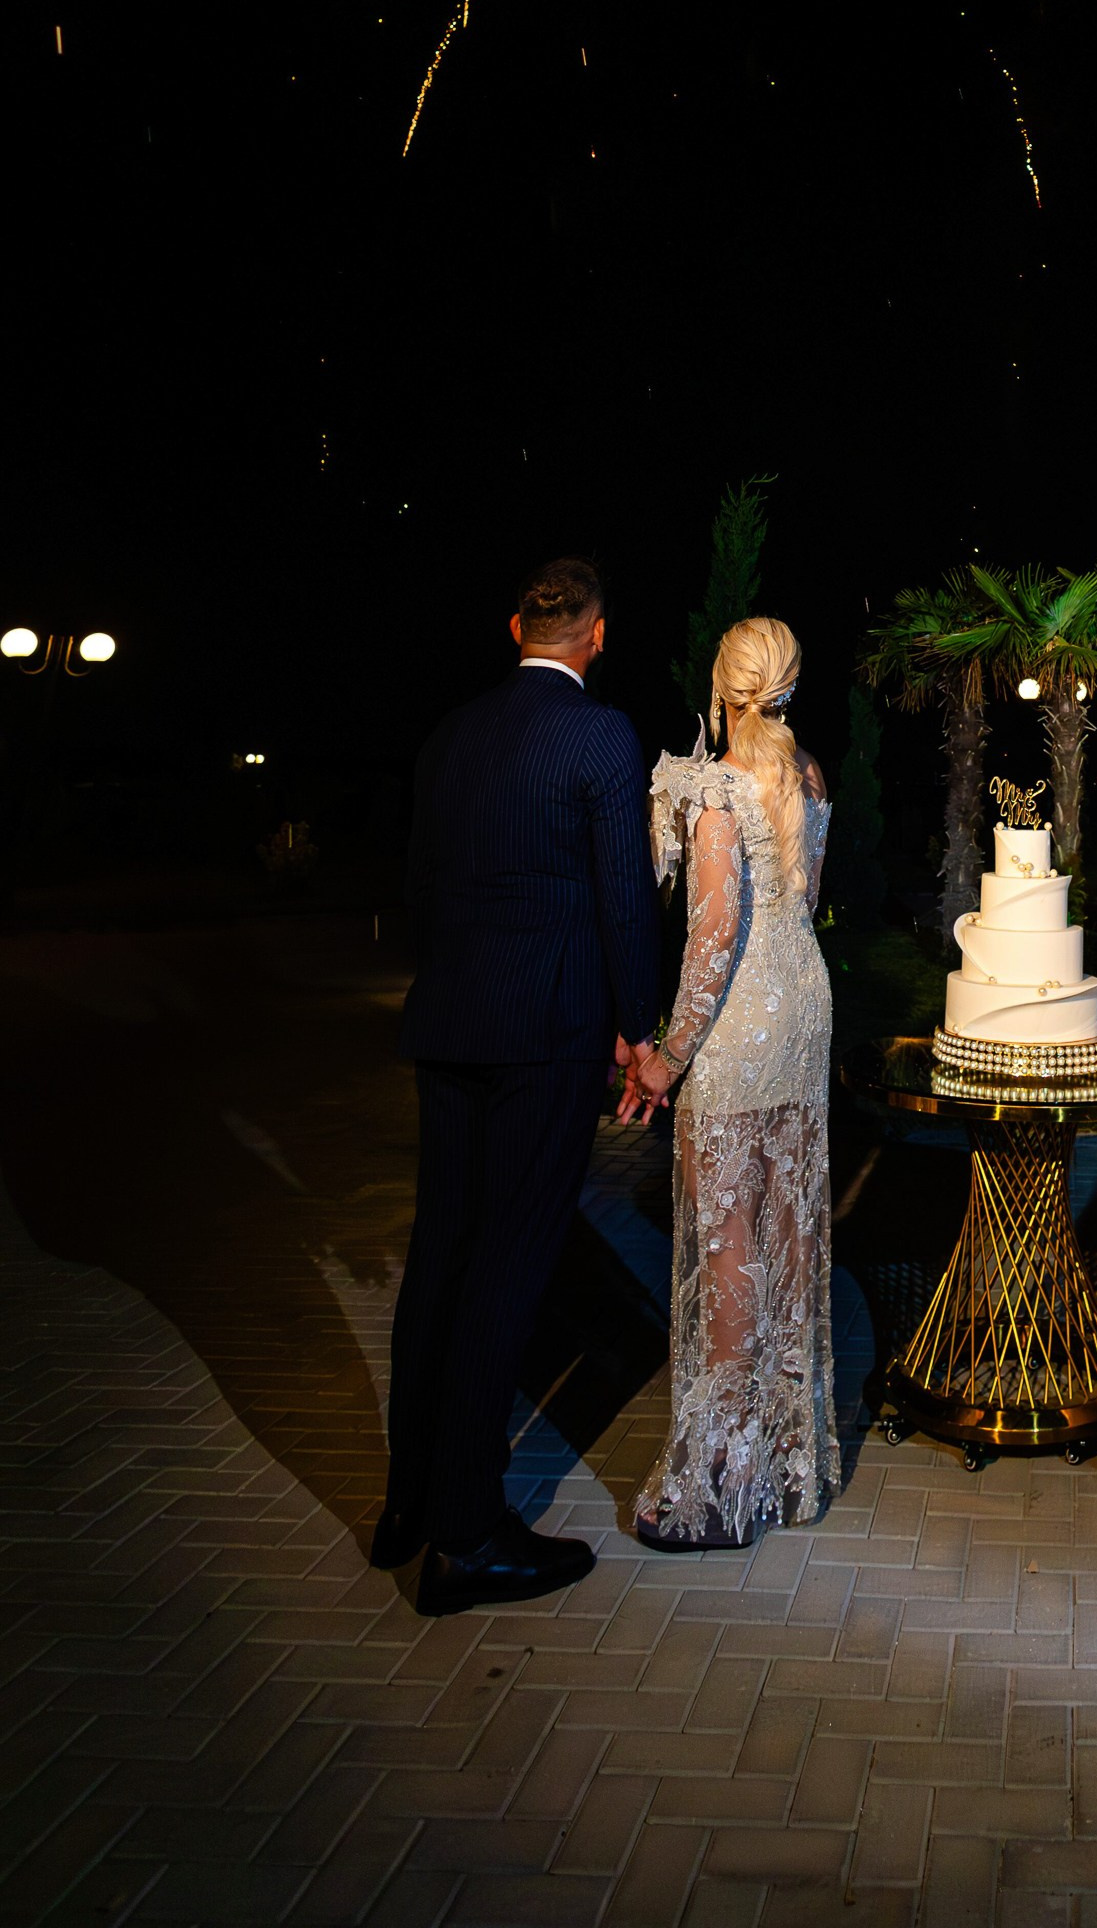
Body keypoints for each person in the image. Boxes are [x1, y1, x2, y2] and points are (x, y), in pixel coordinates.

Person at [375, 557, 667, 1616]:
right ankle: (464, 1536)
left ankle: (405, 1502)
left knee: (442, 1256)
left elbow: (418, 885)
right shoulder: (599, 733)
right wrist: (641, 1032)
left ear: (516, 628)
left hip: (450, 1020)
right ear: (596, 635)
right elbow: (623, 901)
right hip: (543, 1031)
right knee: (507, 1265)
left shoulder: (452, 733)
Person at [619, 614, 839, 1549]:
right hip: (805, 1011)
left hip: (741, 1024)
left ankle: (724, 1477)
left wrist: (666, 1055)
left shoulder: (716, 791)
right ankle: (787, 1461)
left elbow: (710, 940)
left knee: (729, 1241)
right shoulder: (809, 776)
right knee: (785, 1227)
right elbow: (809, 900)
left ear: (724, 683)